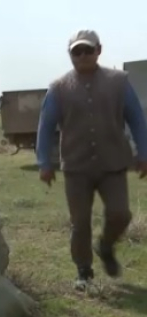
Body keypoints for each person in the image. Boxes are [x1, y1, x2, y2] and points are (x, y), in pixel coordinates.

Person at [37, 30, 147, 291]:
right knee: (80, 221)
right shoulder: (58, 88)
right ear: (70, 54)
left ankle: (106, 246)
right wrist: (44, 162)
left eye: (88, 50)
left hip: (113, 163)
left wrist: (143, 154)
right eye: (77, 51)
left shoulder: (119, 81)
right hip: (76, 167)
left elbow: (137, 119)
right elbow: (45, 125)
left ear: (99, 50)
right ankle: (83, 270)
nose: (83, 55)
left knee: (121, 214)